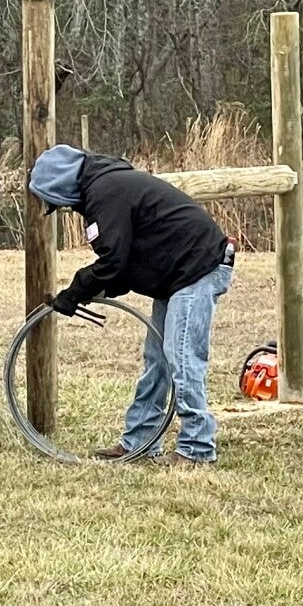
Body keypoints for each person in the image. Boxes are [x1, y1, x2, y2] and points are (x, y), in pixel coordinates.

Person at [27, 146, 235, 466]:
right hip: (178, 271)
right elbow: (126, 261)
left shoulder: (106, 192)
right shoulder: (108, 186)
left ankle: (197, 448)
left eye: (57, 201)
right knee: (158, 360)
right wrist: (86, 291)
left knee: (182, 357)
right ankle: (140, 442)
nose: (63, 208)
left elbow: (113, 260)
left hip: (197, 267)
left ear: (62, 187)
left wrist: (76, 290)